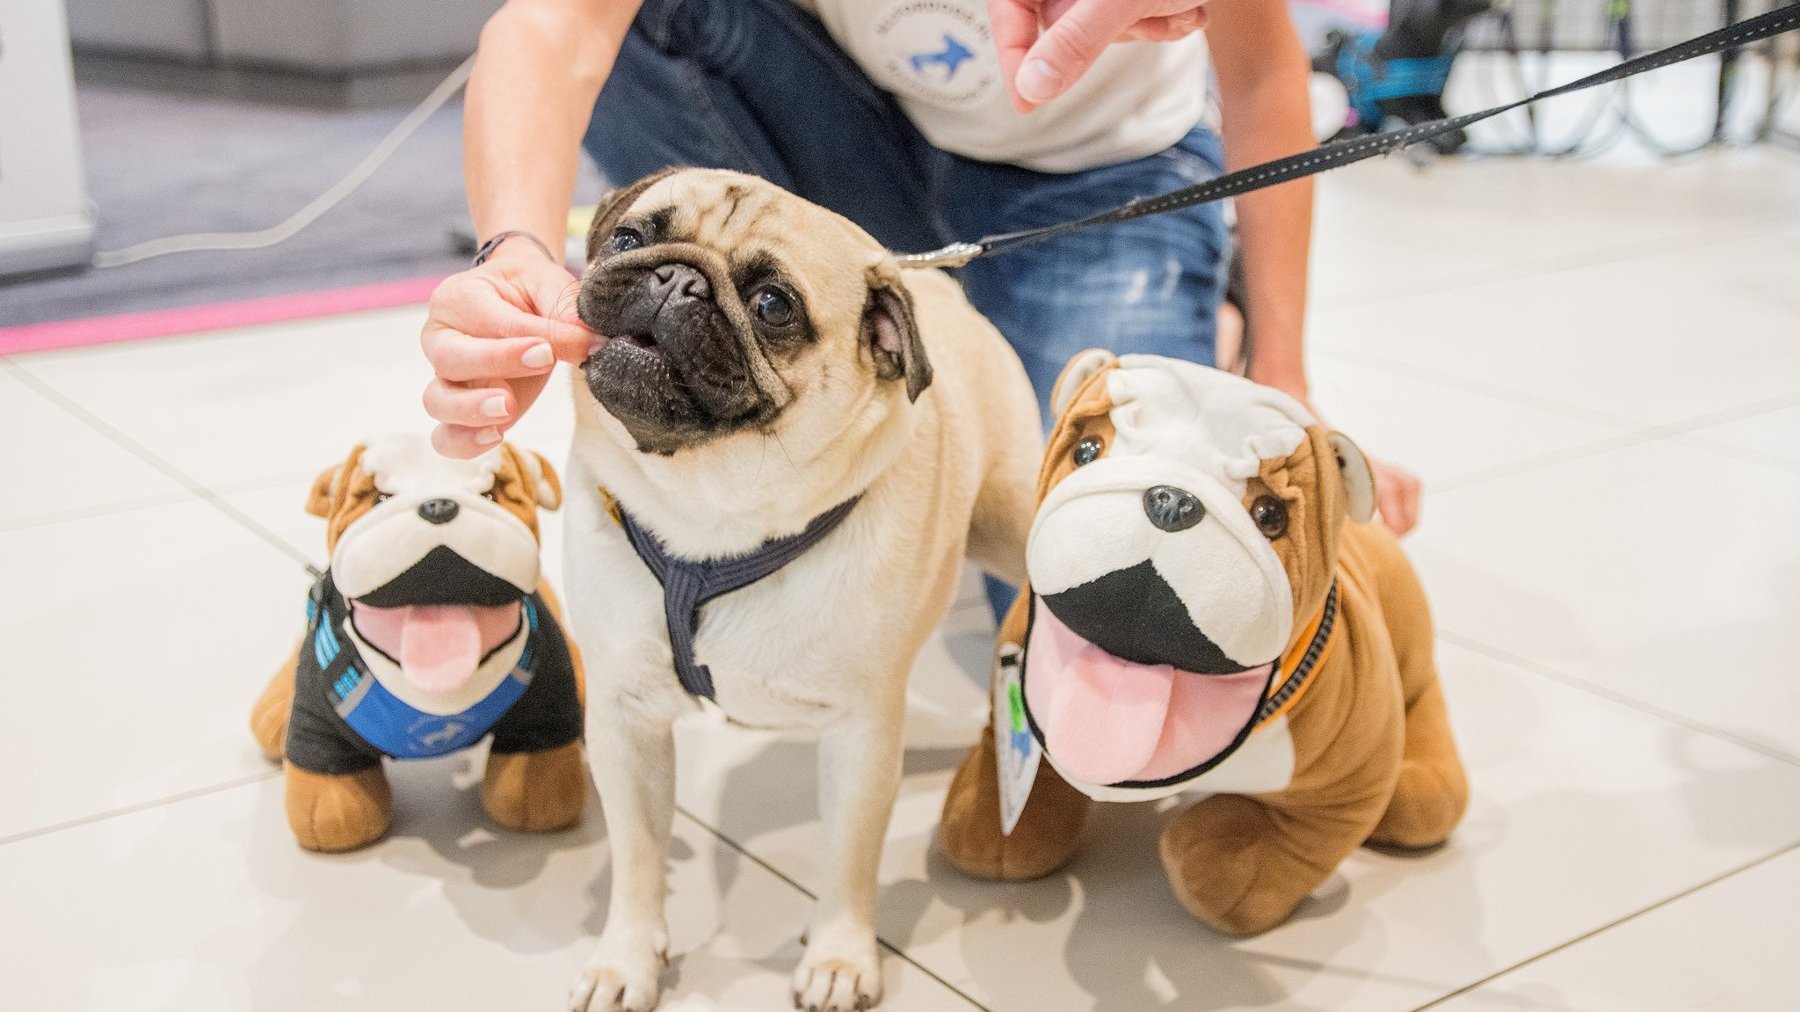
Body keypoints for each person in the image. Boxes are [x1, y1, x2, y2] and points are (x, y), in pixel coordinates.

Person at [419, 0, 1423, 535]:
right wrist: (514, 252)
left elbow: (1260, 70)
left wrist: (1285, 380)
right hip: (875, 133)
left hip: (1098, 173)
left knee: (1082, 561)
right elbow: (552, 26)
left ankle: (1218, 313)